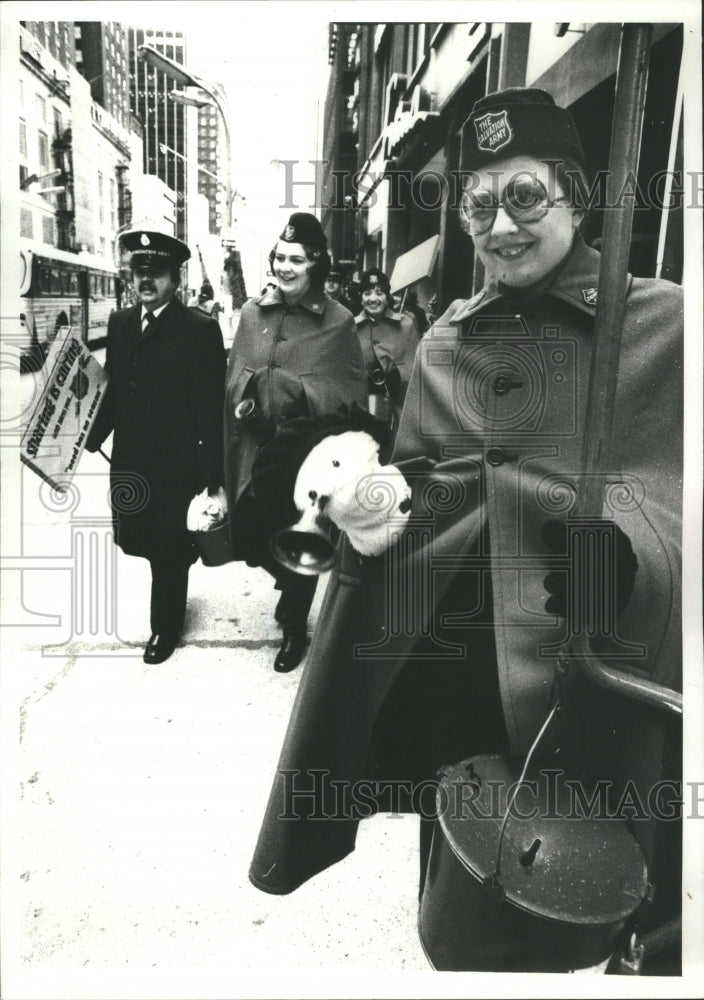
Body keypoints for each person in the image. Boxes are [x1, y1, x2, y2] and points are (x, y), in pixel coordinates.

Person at [248, 88, 683, 965]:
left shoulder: (666, 325)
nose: (500, 227)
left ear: (577, 195)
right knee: (459, 884)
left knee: (584, 905)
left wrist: (633, 550)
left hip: (581, 671)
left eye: (525, 198)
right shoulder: (446, 338)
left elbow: (679, 495)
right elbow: (420, 483)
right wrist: (370, 504)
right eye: (479, 206)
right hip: (458, 668)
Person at [223, 212, 367, 673]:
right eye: (280, 258)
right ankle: (288, 583)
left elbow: (347, 395)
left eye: (296, 260)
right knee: (248, 537)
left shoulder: (339, 322)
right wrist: (246, 395)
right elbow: (233, 378)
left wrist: (293, 393)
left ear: (315, 265)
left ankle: (293, 627)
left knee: (302, 535)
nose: (285, 267)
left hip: (304, 458)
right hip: (255, 450)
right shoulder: (251, 313)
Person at [85, 230, 226, 664]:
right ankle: (173, 596)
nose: (146, 280)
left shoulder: (200, 329)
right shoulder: (121, 323)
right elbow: (112, 389)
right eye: (139, 272)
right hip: (132, 458)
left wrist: (211, 471)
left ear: (175, 278)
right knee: (141, 540)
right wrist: (90, 433)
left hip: (175, 465)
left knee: (168, 547)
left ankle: (164, 628)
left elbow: (211, 406)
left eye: (157, 272)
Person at [354, 267, 420, 456]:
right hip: (362, 410)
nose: (373, 298)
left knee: (392, 459)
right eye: (367, 293)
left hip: (397, 409)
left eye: (379, 293)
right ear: (360, 297)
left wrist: (397, 375)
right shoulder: (350, 327)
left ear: (387, 296)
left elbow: (414, 366)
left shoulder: (405, 325)